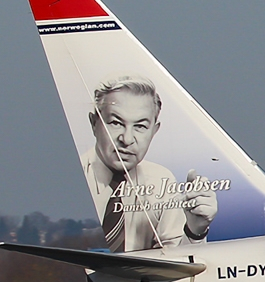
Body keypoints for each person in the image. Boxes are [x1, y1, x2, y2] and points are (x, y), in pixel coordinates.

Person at [82, 75, 217, 251]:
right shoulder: (73, 179)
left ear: (154, 130)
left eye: (140, 126)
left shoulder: (160, 182)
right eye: (116, 123)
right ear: (94, 123)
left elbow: (174, 263)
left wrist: (194, 230)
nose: (127, 139)